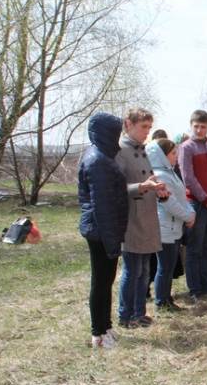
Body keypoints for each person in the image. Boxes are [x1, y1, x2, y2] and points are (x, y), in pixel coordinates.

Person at [78, 113, 128, 348]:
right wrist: (112, 241)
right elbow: (103, 206)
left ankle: (106, 325)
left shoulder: (103, 157)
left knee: (106, 280)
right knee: (100, 282)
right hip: (100, 231)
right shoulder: (98, 161)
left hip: (104, 230)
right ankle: (98, 332)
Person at [115, 108, 166, 328]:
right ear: (129, 124)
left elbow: (145, 180)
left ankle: (139, 312)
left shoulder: (143, 150)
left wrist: (157, 188)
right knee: (132, 270)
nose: (147, 132)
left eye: (149, 127)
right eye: (143, 127)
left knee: (145, 270)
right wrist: (142, 186)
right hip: (132, 220)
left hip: (147, 217)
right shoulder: (119, 151)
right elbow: (116, 187)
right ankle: (125, 315)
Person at [178, 110, 207, 302]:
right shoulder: (186, 148)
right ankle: (195, 288)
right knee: (195, 248)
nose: (199, 130)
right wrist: (206, 200)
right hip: (197, 203)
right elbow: (188, 178)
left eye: (203, 126)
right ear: (191, 126)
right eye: (196, 126)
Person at [148, 138, 195, 312]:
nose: (176, 156)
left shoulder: (170, 172)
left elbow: (182, 198)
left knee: (168, 267)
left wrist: (191, 213)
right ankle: (161, 302)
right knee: (165, 267)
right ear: (162, 155)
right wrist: (188, 216)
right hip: (165, 227)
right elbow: (170, 203)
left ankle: (166, 298)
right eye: (173, 153)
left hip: (175, 226)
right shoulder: (160, 176)